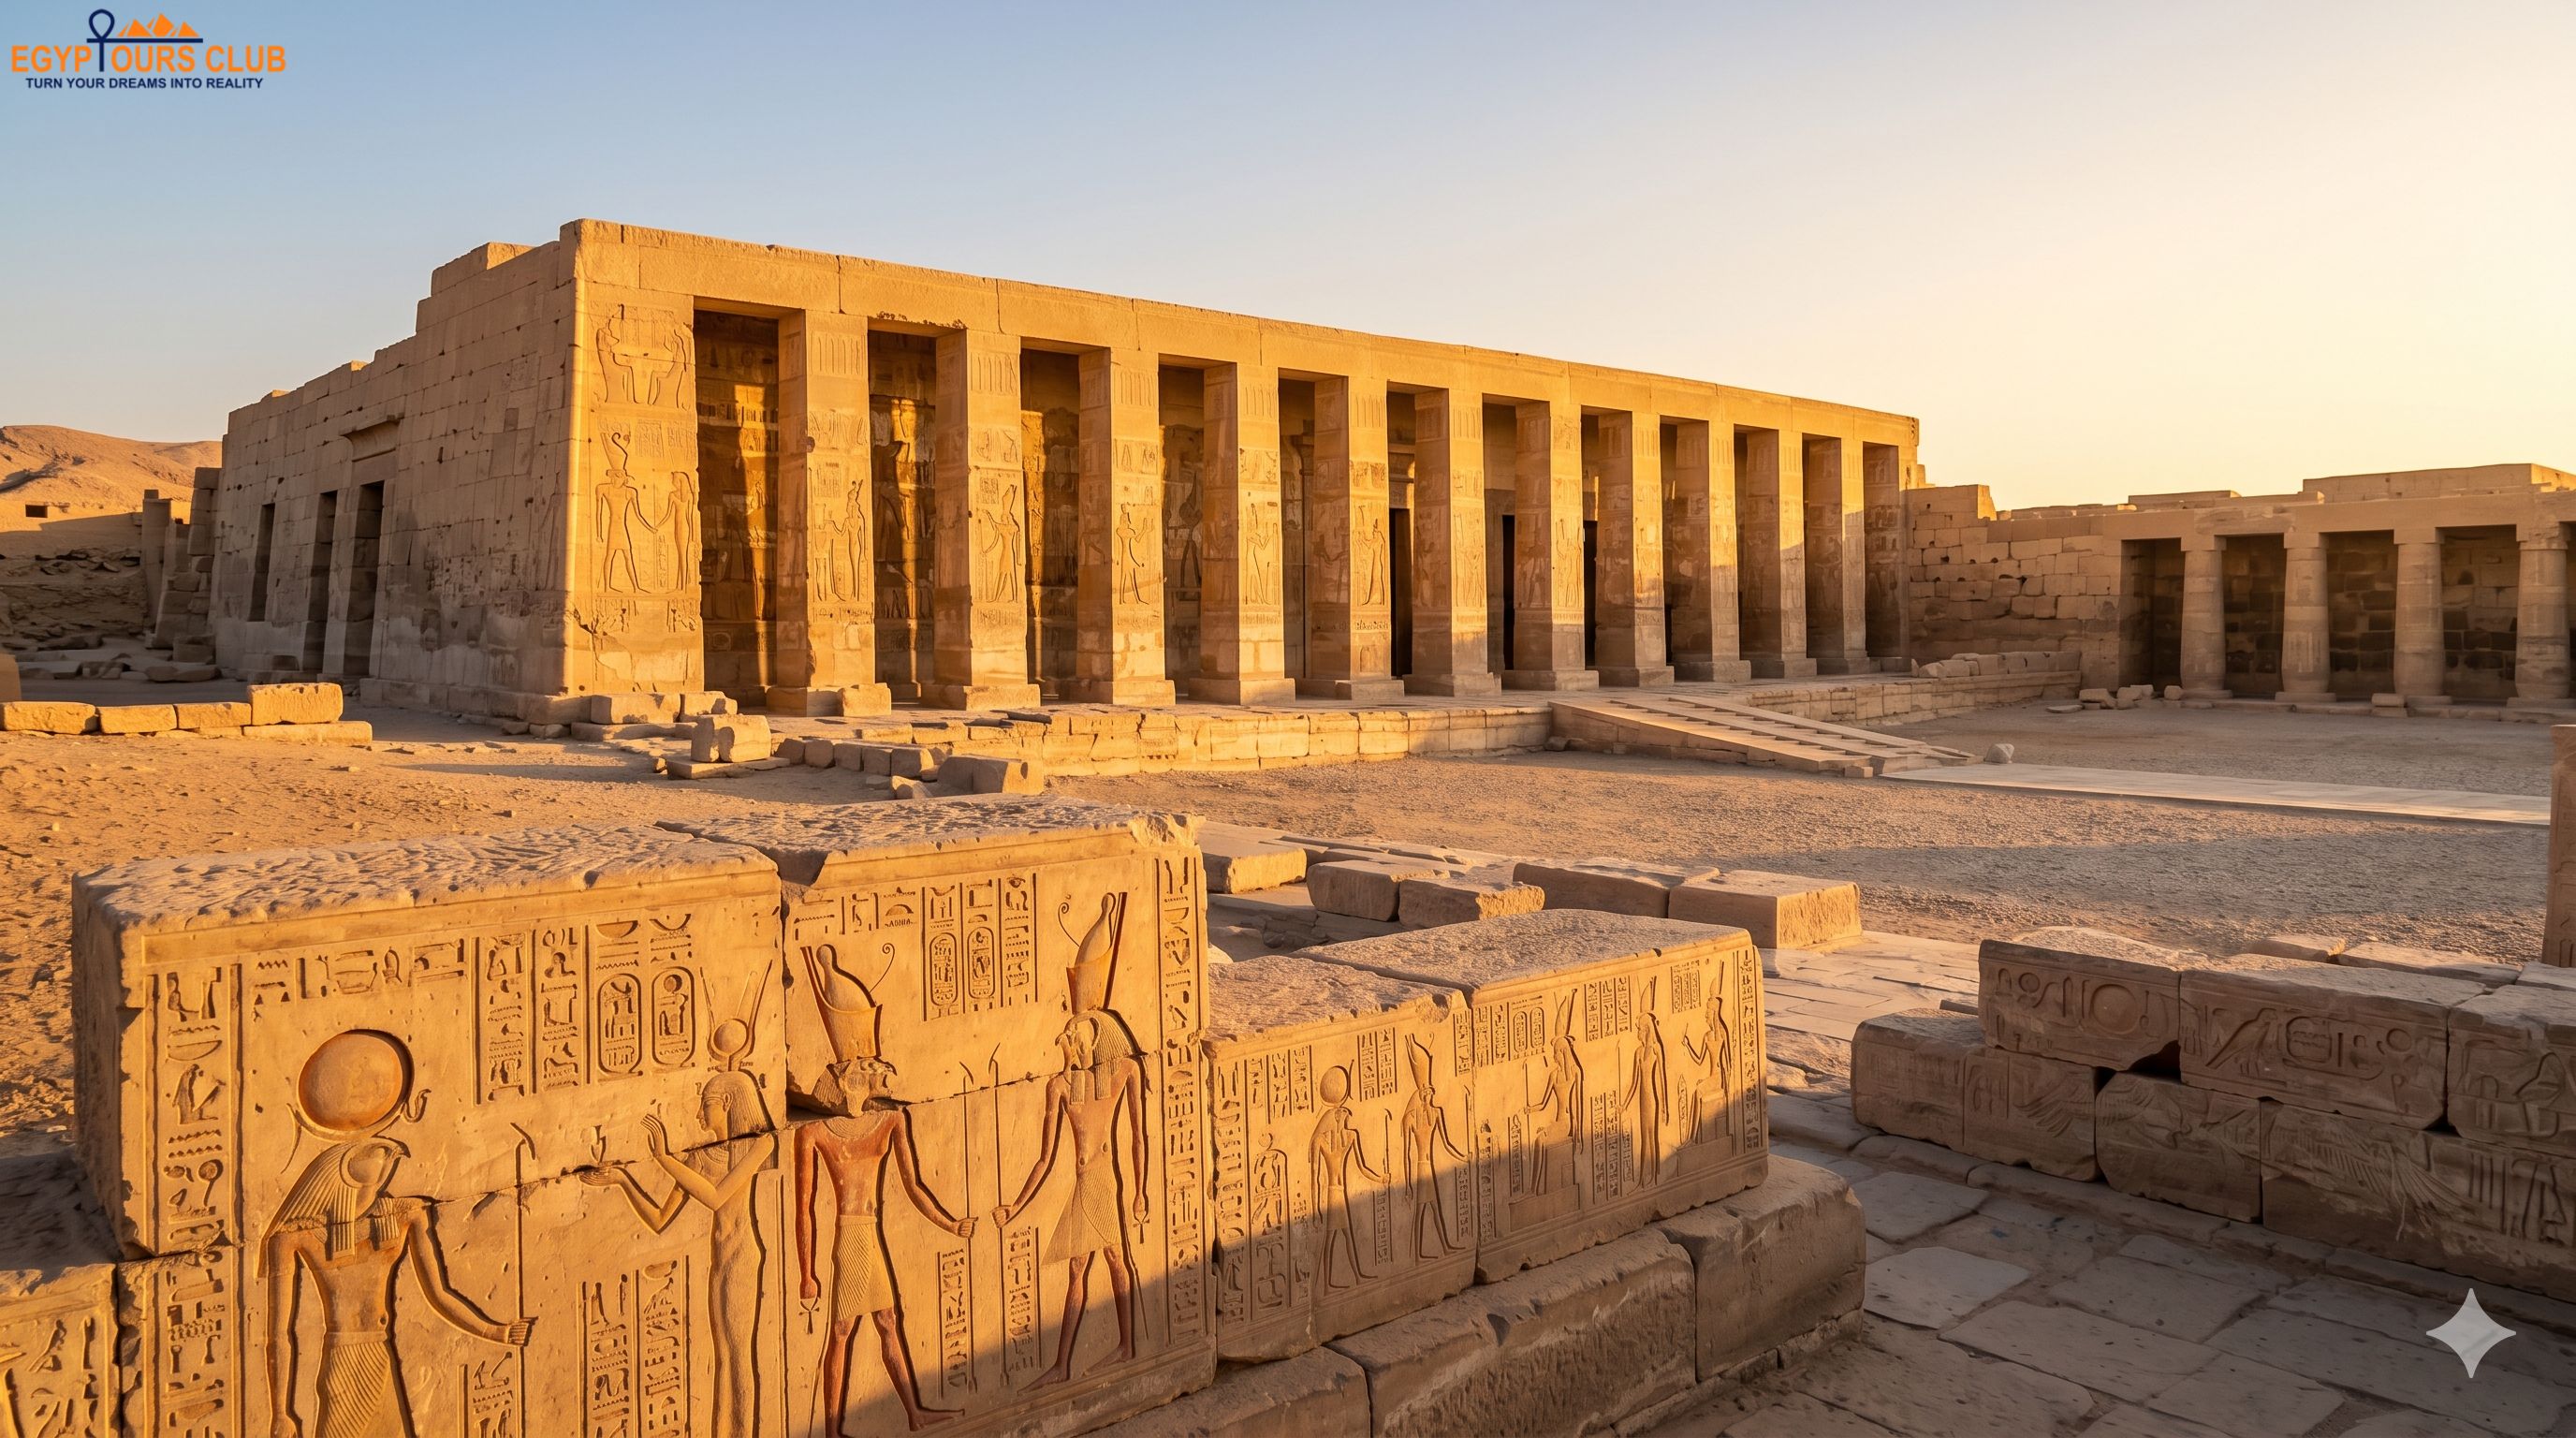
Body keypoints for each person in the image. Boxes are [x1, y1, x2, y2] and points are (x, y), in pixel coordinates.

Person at [263, 1137, 530, 1438]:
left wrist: (494, 1331)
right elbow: (278, 1335)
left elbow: (438, 1294)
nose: (374, 1191)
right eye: (365, 1187)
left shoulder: (404, 1215)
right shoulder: (294, 1236)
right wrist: (280, 1413)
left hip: (380, 1351)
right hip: (343, 1360)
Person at [584, 1071, 775, 1438]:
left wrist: (662, 1158)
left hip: (742, 1257)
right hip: (720, 1259)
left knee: (738, 1358)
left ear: (729, 1103)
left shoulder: (758, 1146)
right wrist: (625, 1180)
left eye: (706, 1107)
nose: (699, 1118)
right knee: (723, 1357)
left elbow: (717, 1196)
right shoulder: (699, 1159)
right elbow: (658, 1219)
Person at [793, 1056, 973, 1432]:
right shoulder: (816, 1132)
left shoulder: (890, 1120)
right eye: (862, 1071)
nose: (873, 1077)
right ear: (844, 1082)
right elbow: (804, 1208)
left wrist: (950, 1223)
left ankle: (914, 1413)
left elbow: (914, 1186)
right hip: (849, 1235)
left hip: (870, 1233)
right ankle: (830, 1428)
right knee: (842, 1330)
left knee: (887, 1321)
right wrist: (806, 1272)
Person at [995, 1013, 1146, 1387]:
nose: (1068, 1046)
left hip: (1103, 1180)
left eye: (1074, 1039)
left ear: (1091, 1042)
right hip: (1083, 1184)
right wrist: (1016, 1205)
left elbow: (1138, 1135)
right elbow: (1044, 1159)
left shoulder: (1122, 1070)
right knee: (1080, 1268)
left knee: (1112, 1259)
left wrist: (1141, 1190)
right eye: (1067, 1040)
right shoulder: (1059, 1087)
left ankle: (1125, 1346)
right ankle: (1064, 1364)